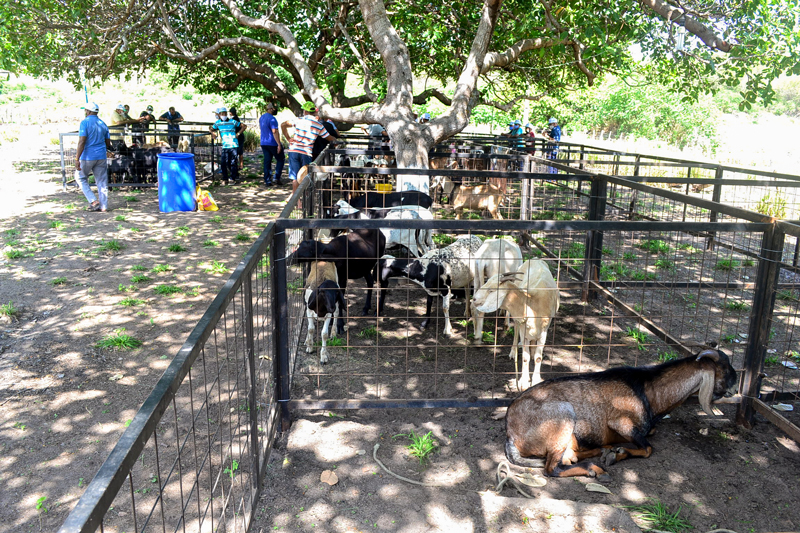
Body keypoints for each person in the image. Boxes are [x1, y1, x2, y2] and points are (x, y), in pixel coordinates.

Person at [281, 101, 334, 194]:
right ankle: (305, 199)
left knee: (295, 177)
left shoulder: (298, 120)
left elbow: (283, 125)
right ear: (314, 112)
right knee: (305, 176)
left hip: (294, 150)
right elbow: (329, 138)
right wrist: (337, 140)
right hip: (306, 152)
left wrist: (288, 138)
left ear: (305, 111)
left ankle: (296, 200)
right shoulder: (319, 125)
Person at [75, 102, 113, 212]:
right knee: (102, 181)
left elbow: (82, 141)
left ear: (88, 111)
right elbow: (107, 141)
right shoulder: (102, 123)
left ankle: (93, 201)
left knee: (80, 177)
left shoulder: (85, 123)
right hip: (101, 156)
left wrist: (77, 158)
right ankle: (104, 206)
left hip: (87, 156)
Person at [209, 106, 247, 185]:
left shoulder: (233, 121)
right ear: (219, 115)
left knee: (233, 162)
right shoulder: (218, 123)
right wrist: (213, 133)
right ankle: (225, 178)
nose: (223, 115)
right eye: (222, 114)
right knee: (223, 163)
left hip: (233, 145)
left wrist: (238, 133)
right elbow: (211, 128)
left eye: (225, 113)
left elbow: (244, 126)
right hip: (225, 145)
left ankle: (232, 178)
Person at [259, 102, 284, 186]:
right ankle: (276, 177)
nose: (275, 110)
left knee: (267, 161)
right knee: (280, 159)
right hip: (272, 143)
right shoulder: (272, 119)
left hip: (263, 142)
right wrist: (279, 144)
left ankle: (267, 179)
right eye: (273, 108)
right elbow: (275, 131)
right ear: (270, 109)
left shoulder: (261, 118)